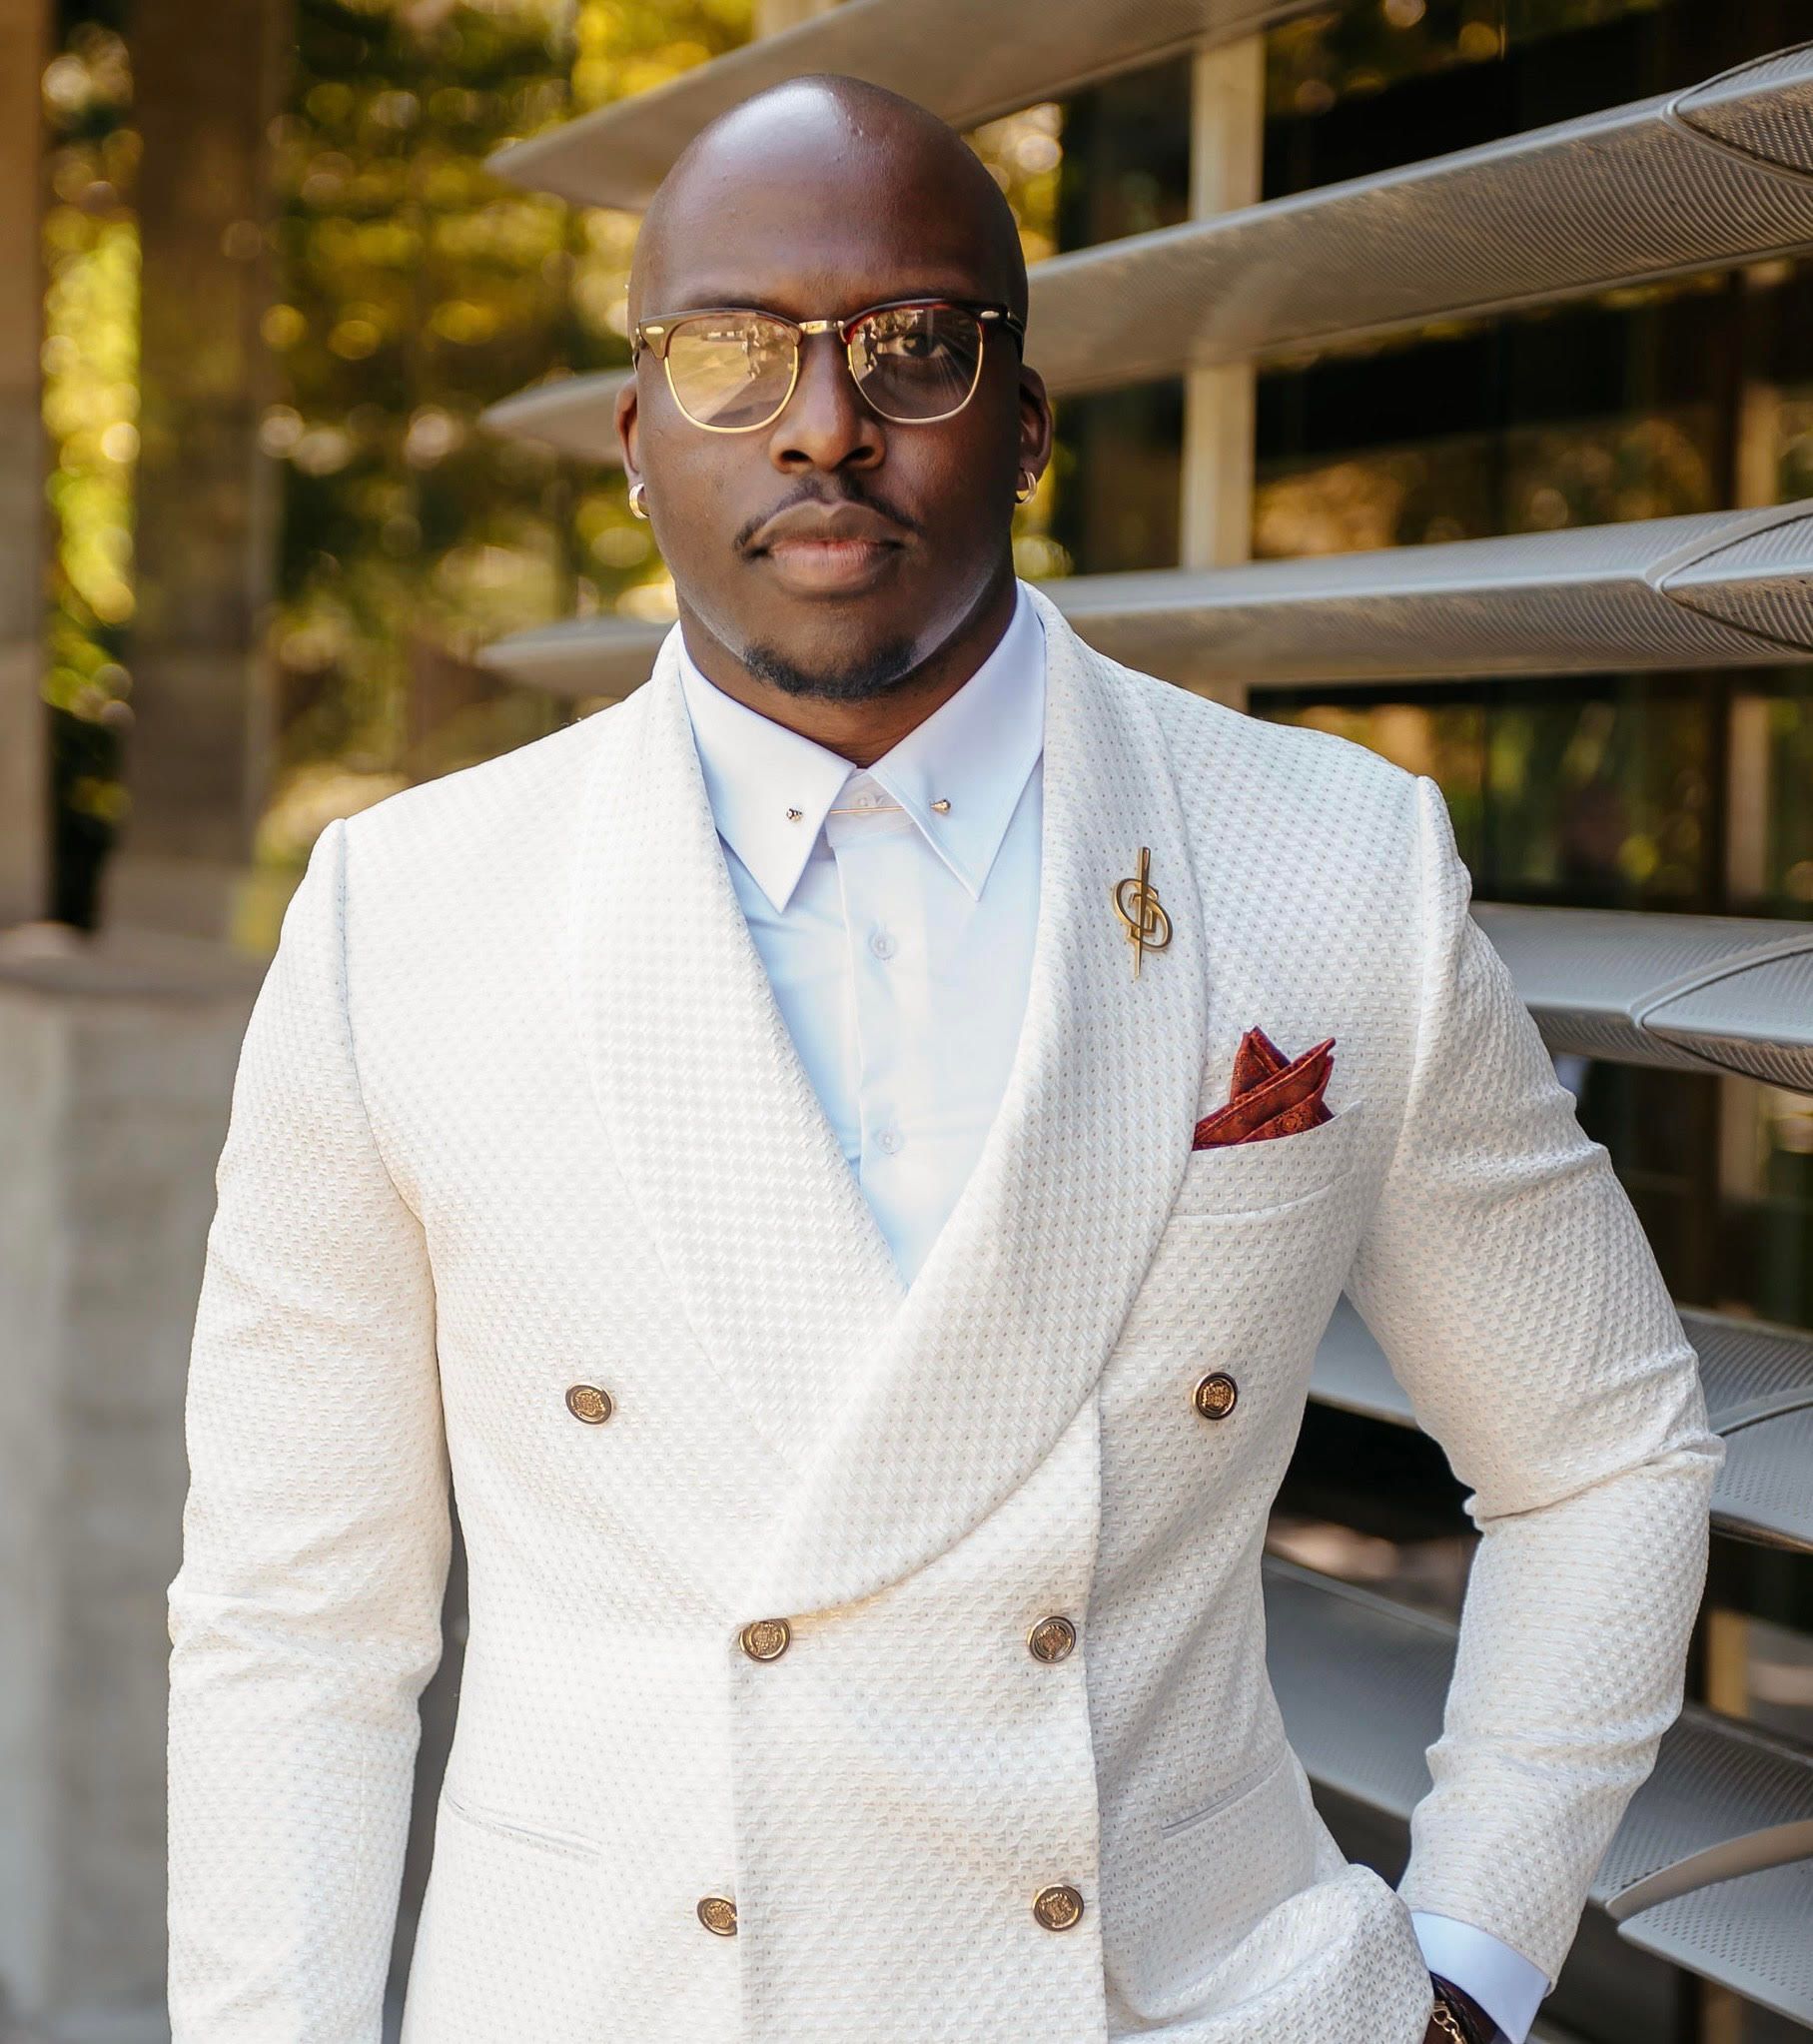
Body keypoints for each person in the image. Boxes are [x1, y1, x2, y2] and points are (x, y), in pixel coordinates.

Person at [165, 71, 1723, 2044]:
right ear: (636, 440)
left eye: (914, 346)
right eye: (732, 354)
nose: (822, 421)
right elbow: (293, 1622)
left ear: (1030, 424)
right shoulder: (405, 921)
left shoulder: (1325, 864)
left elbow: (1601, 1451)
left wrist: (1473, 1965)